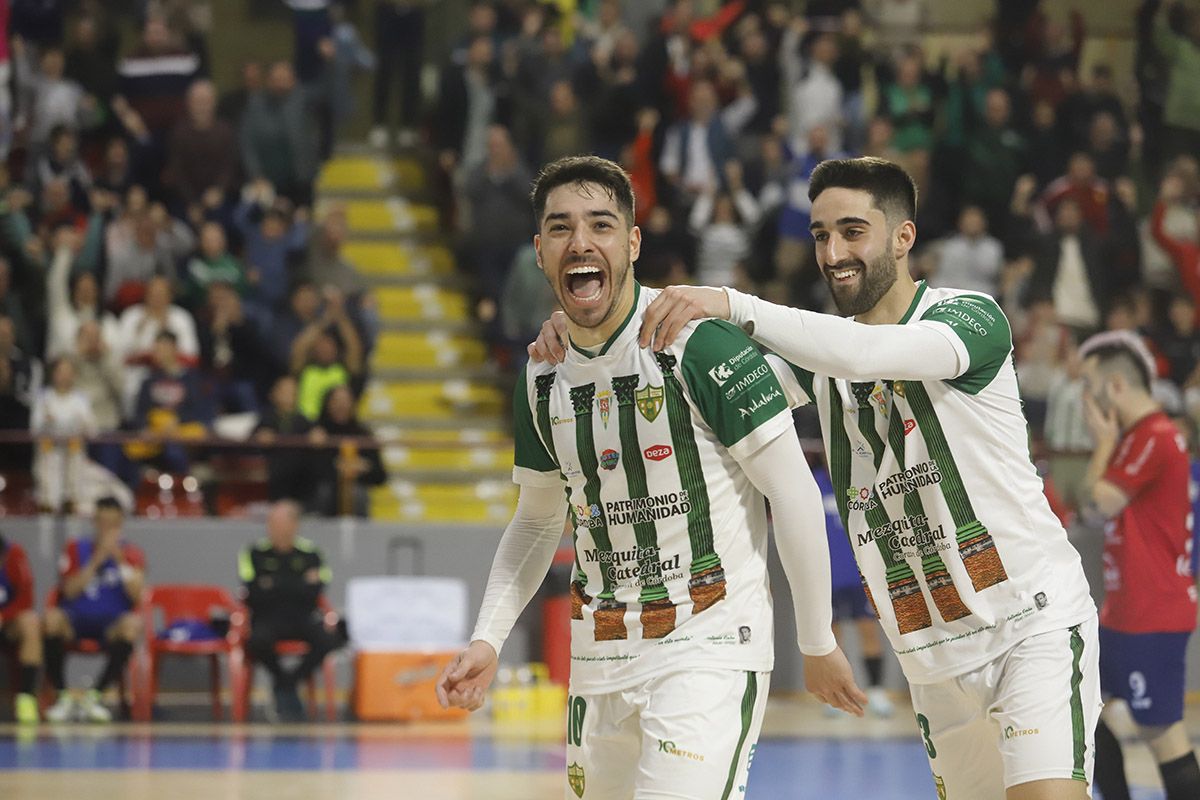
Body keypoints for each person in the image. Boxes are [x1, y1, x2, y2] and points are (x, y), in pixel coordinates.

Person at [532, 157, 1101, 800]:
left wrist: (732, 303)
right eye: (821, 235)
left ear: (903, 238)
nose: (834, 253)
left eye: (853, 232)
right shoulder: (817, 364)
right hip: (933, 658)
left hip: (1032, 623)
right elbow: (691, 400)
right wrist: (589, 333)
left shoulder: (971, 319)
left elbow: (866, 353)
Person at [437, 156, 863, 799]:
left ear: (632, 242)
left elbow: (794, 491)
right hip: (599, 658)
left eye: (601, 225)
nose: (580, 242)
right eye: (560, 229)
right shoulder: (541, 372)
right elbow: (536, 520)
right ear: (539, 251)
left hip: (707, 647)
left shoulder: (696, 342)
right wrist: (488, 637)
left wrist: (815, 637)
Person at [1078, 333, 1200, 800]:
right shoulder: (1133, 440)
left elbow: (1101, 500)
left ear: (1115, 385)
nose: (1086, 400)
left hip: (1155, 613)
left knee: (1162, 734)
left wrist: (1103, 441)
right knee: (1088, 710)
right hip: (1125, 613)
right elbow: (1091, 508)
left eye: (1090, 387)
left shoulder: (1157, 436)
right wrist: (1109, 444)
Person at [43, 496, 145, 723]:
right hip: (76, 618)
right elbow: (68, 591)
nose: (107, 529)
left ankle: (95, 696)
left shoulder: (132, 554)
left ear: (120, 525)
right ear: (94, 521)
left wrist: (119, 559)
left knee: (132, 626)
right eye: (102, 522)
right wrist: (96, 560)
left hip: (111, 622)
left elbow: (137, 596)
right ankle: (63, 697)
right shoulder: (75, 549)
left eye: (113, 524)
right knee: (51, 619)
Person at [238, 500, 339, 722]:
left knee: (328, 641)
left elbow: (316, 590)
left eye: (281, 524)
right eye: (271, 524)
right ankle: (286, 684)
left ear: (294, 526)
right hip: (267, 616)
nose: (275, 530)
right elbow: (253, 591)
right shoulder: (254, 552)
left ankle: (287, 684)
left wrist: (273, 584)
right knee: (256, 641)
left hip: (302, 616)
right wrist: (297, 584)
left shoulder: (311, 553)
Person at [813, 461, 895, 719]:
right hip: (827, 577)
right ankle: (836, 696)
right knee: (832, 639)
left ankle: (877, 691)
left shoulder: (857, 479)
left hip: (860, 575)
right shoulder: (813, 481)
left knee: (869, 632)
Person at [0, 531, 41, 724]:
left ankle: (26, 698)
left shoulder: (15, 555)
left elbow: (26, 599)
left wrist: (3, 616)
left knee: (30, 623)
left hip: (8, 626)